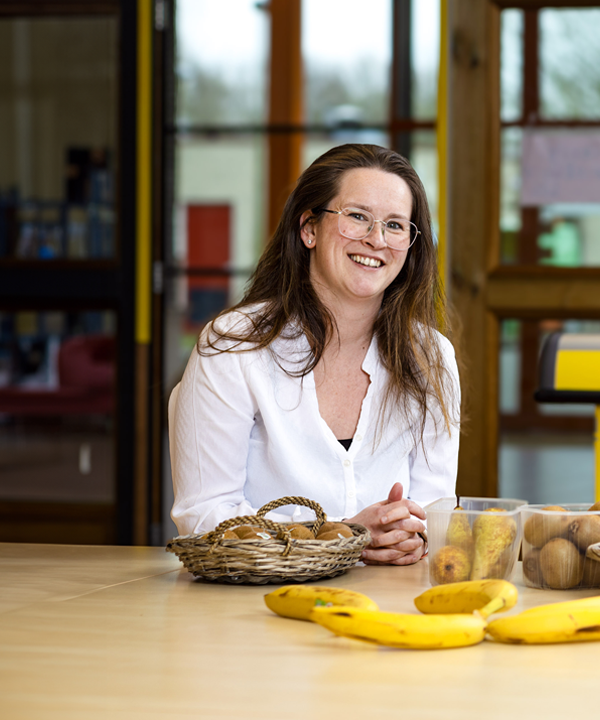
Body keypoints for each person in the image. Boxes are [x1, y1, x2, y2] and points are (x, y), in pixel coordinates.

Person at [169, 144, 460, 566]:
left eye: (396, 225)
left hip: (390, 608)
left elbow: (436, 513)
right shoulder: (233, 346)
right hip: (252, 612)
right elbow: (203, 515)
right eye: (357, 216)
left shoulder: (431, 356)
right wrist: (347, 536)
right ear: (309, 228)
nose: (376, 239)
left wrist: (414, 537)